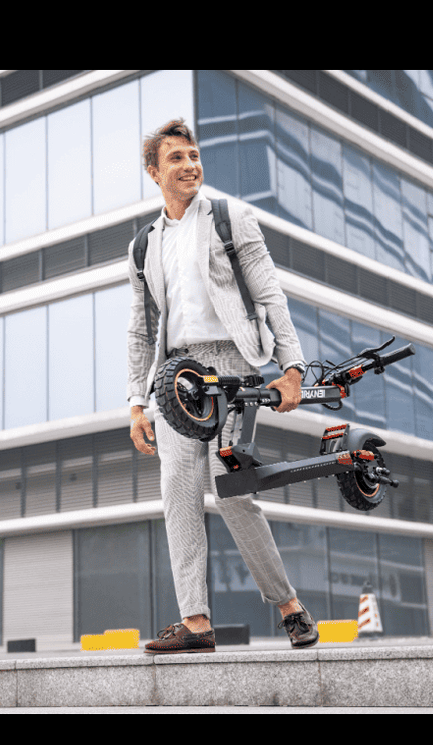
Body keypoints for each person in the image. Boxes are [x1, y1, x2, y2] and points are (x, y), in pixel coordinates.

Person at [127, 119, 319, 654]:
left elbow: (270, 296)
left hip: (233, 364)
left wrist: (292, 368)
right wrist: (136, 402)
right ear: (154, 171)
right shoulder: (144, 244)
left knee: (230, 488)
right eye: (176, 158)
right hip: (176, 377)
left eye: (194, 155)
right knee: (177, 494)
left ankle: (287, 605)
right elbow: (142, 329)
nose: (190, 165)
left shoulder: (233, 219)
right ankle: (195, 622)